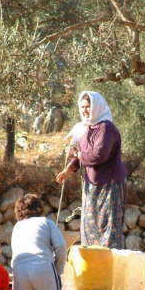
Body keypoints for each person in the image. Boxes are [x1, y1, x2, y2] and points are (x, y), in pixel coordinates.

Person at [55, 91, 128, 249]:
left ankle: (107, 268)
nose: (85, 110)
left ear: (97, 107)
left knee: (108, 228)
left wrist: (77, 153)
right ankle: (93, 267)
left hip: (109, 184)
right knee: (89, 226)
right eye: (82, 107)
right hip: (91, 184)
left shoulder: (106, 128)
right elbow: (81, 153)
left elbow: (97, 156)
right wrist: (69, 169)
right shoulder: (85, 128)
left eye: (88, 107)